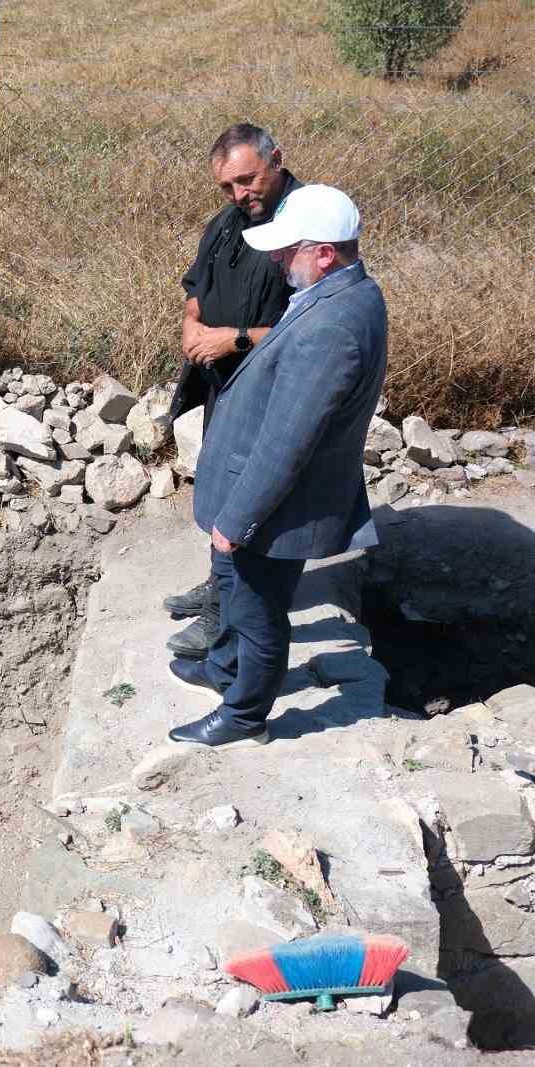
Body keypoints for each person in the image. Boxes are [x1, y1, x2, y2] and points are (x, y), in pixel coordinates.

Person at [167, 184, 386, 748]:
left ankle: (244, 715)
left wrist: (236, 519)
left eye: (288, 251)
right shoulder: (345, 293)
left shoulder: (332, 328)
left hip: (278, 502)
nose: (275, 259)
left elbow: (288, 442)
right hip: (276, 492)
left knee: (258, 608)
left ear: (324, 253)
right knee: (243, 594)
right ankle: (224, 670)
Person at [163, 124, 303, 661]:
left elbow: (312, 322)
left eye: (247, 181)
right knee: (220, 488)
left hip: (270, 389)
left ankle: (229, 615)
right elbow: (196, 288)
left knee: (249, 499)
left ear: (276, 160)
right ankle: (219, 586)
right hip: (223, 383)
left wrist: (236, 338)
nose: (239, 194)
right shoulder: (227, 222)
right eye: (227, 186)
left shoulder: (303, 228)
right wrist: (192, 326)